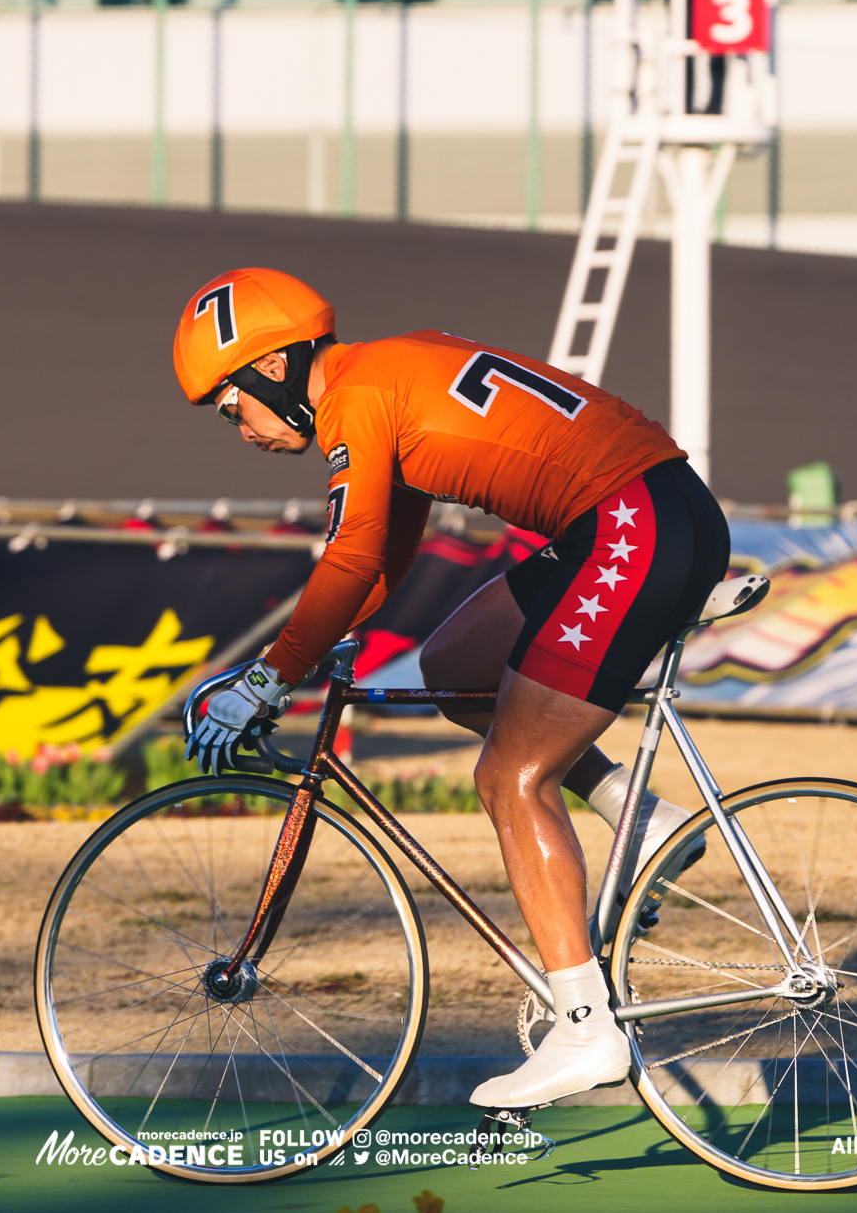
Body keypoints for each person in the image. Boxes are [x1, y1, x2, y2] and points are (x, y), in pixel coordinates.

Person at [175, 267, 730, 1111]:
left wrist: (264, 679)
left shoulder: (355, 401)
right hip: (645, 511)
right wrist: (295, 658)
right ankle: (643, 817)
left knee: (511, 777)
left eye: (231, 403)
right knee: (457, 665)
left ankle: (584, 1026)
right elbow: (381, 562)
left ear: (275, 367)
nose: (237, 426)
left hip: (629, 523)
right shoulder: (386, 370)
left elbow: (353, 557)